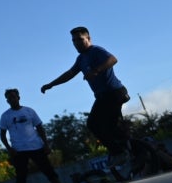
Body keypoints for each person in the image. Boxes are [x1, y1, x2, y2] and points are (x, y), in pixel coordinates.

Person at [40, 26, 132, 166]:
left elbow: (113, 59)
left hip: (113, 93)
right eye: (74, 41)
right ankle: (128, 146)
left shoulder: (96, 50)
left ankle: (120, 151)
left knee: (97, 124)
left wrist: (96, 70)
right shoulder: (81, 59)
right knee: (101, 125)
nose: (77, 43)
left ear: (88, 39)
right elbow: (69, 74)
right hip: (102, 97)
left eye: (80, 40)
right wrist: (51, 84)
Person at [0, 88, 67, 183]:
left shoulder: (29, 111)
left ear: (19, 97)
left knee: (48, 170)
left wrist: (46, 144)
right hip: (19, 150)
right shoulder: (5, 116)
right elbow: (2, 134)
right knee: (21, 175)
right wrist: (9, 149)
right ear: (7, 101)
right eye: (9, 98)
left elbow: (40, 127)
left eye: (14, 97)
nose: (12, 99)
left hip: (36, 146)